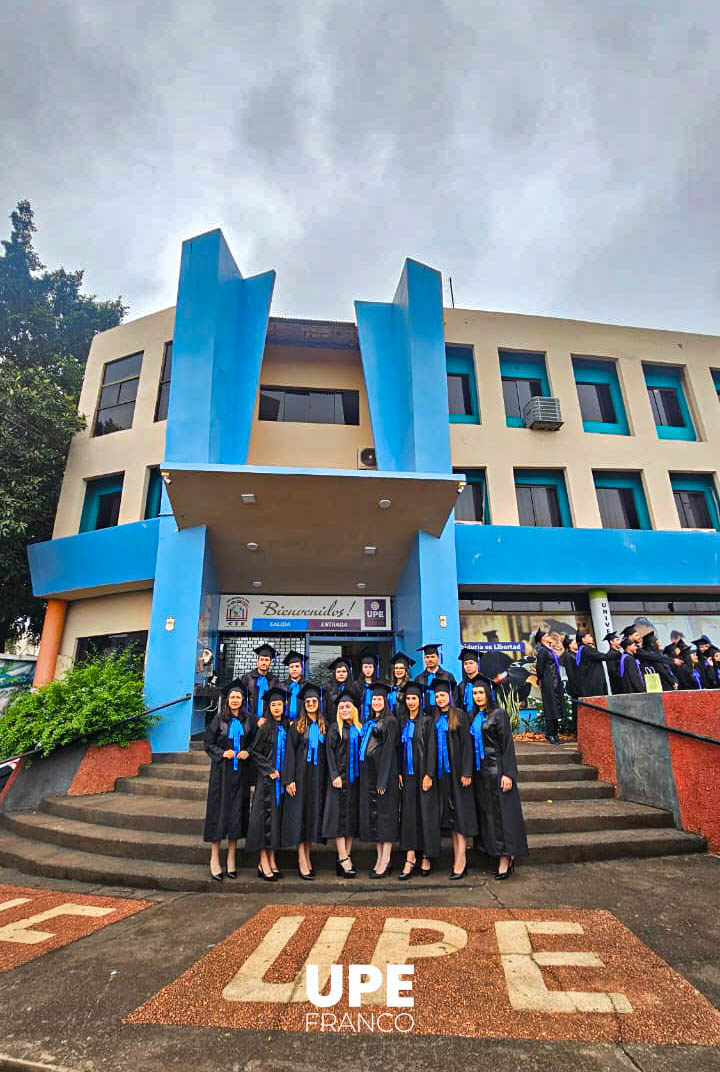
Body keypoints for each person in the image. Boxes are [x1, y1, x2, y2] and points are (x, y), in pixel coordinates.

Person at [468, 678, 528, 879]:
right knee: (490, 817)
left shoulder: (498, 714)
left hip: (498, 771)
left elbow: (507, 745)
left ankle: (506, 858)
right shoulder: (474, 716)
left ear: (488, 694)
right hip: (481, 775)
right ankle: (495, 852)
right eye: (475, 693)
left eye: (481, 693)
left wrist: (508, 774)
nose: (477, 697)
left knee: (504, 817)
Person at [203, 679, 256, 881]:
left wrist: (247, 752)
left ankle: (232, 858)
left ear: (243, 700)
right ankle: (215, 858)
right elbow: (208, 743)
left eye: (238, 697)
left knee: (236, 814)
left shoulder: (248, 720)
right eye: (232, 697)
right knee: (218, 813)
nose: (235, 700)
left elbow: (254, 743)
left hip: (240, 775)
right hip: (221, 774)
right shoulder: (219, 719)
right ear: (228, 700)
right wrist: (222, 753)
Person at [423, 679, 477, 880]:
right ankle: (457, 857)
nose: (439, 698)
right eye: (437, 696)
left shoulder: (460, 716)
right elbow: (430, 748)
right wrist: (429, 773)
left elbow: (467, 746)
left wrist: (467, 772)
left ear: (450, 697)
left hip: (458, 774)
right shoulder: (434, 718)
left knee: (461, 816)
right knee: (452, 818)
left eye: (443, 695)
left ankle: (461, 860)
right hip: (441, 775)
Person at [281, 683, 327, 880]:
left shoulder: (325, 725)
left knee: (310, 816)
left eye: (314, 701)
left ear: (319, 703)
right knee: (300, 815)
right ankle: (301, 859)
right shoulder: (297, 727)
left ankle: (308, 855)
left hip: (317, 778)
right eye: (307, 701)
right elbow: (289, 754)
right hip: (300, 776)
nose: (310, 704)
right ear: (303, 704)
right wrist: (289, 779)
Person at [246, 685, 288, 881]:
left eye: (279, 704)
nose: (277, 707)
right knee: (264, 821)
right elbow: (255, 752)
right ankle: (263, 861)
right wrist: (269, 770)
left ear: (284, 705)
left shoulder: (287, 727)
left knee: (276, 822)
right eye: (273, 705)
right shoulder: (265, 728)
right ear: (268, 707)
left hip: (281, 783)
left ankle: (271, 860)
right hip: (267, 781)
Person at [358, 682, 400, 878]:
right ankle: (379, 857)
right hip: (371, 775)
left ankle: (386, 859)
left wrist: (383, 781)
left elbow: (390, 751)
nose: (376, 702)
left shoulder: (390, 721)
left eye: (379, 699)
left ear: (385, 701)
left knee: (386, 818)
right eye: (373, 699)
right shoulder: (369, 722)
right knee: (376, 818)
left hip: (385, 776)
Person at [322, 691, 362, 877]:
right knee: (339, 819)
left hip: (355, 781)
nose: (345, 710)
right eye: (341, 707)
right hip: (339, 779)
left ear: (353, 709)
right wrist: (334, 775)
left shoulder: (359, 728)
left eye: (348, 707)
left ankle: (347, 857)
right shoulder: (334, 729)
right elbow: (328, 753)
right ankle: (343, 857)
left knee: (351, 819)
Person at [397, 682, 434, 880]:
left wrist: (429, 774)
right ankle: (410, 857)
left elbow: (431, 749)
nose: (411, 702)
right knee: (409, 814)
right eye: (409, 698)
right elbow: (397, 748)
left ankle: (426, 856)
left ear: (420, 700)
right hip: (407, 775)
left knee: (425, 814)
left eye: (414, 699)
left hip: (422, 775)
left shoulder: (427, 721)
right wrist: (398, 772)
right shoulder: (401, 720)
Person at [534, 628, 564, 743]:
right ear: (542, 639)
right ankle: (550, 734)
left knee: (556, 707)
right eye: (546, 635)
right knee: (550, 708)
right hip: (548, 682)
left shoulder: (549, 650)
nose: (549, 636)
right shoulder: (542, 651)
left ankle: (555, 734)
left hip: (555, 682)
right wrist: (541, 680)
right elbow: (539, 668)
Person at [240, 643, 279, 720]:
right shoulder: (247, 678)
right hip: (249, 720)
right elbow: (241, 700)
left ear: (270, 662)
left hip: (268, 721)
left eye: (267, 660)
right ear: (257, 662)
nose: (264, 662)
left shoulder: (274, 681)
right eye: (262, 659)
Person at [414, 643, 458, 712]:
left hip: (445, 713)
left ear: (438, 658)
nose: (430, 659)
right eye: (427, 657)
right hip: (425, 715)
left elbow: (455, 697)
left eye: (432, 657)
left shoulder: (448, 676)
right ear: (424, 659)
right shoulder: (419, 679)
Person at [575, 629, 611, 696]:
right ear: (583, 639)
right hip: (594, 683)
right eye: (589, 636)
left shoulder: (581, 649)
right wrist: (614, 652)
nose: (592, 638)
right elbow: (602, 656)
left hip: (588, 683)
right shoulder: (587, 649)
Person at [283, 649, 308, 722]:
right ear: (288, 669)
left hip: (303, 724)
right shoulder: (281, 686)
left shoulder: (307, 687)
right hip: (285, 724)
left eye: (297, 666)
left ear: (302, 668)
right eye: (291, 667)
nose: (294, 669)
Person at [388, 651, 415, 717]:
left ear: (406, 671)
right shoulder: (389, 687)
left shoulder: (410, 686)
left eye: (401, 668)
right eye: (396, 668)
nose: (398, 670)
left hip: (405, 719)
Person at [357, 648, 379, 723]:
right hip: (359, 721)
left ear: (374, 668)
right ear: (362, 668)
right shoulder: (356, 685)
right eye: (365, 667)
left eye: (370, 667)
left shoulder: (378, 685)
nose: (368, 670)